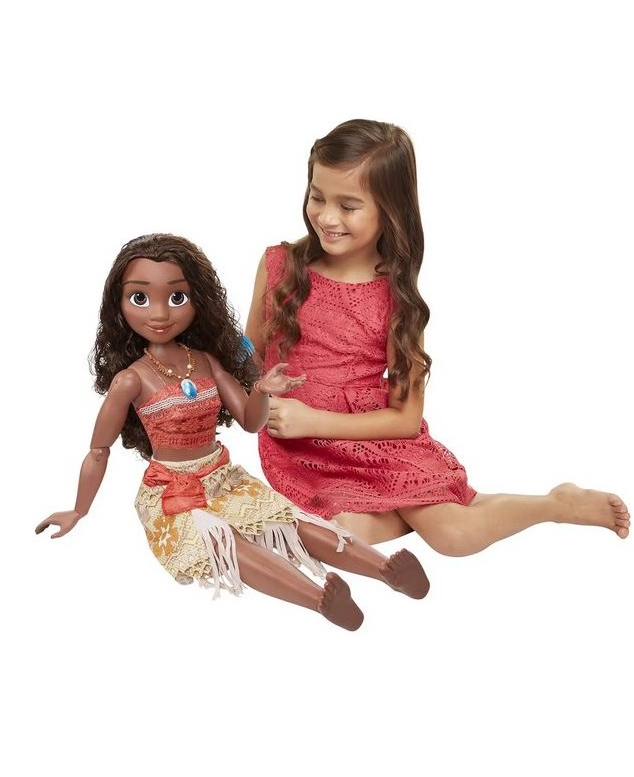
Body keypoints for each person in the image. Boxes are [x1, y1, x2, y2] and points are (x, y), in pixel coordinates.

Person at [244, 119, 631, 554]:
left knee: (453, 537)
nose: (327, 217)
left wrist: (313, 420)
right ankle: (435, 506)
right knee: (344, 534)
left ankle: (555, 504)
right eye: (318, 197)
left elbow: (405, 419)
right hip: (300, 452)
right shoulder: (280, 265)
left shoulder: (396, 297)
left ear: (389, 210)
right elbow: (247, 356)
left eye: (348, 206)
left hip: (373, 441)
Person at [35, 233, 430, 631]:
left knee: (283, 519)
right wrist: (79, 510)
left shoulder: (206, 362)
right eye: (140, 298)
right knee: (226, 542)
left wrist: (261, 389)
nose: (159, 313)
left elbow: (250, 421)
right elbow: (99, 450)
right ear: (119, 306)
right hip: (174, 493)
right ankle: (320, 600)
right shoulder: (130, 381)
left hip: (223, 478)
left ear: (198, 301)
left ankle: (387, 570)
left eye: (176, 297)